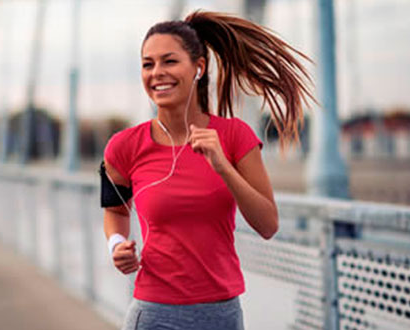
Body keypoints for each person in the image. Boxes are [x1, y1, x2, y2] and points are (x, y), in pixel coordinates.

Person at [99, 10, 315, 330]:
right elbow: (115, 211)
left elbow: (268, 224)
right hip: (154, 315)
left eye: (169, 61)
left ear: (198, 68)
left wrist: (223, 167)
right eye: (148, 64)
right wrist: (117, 245)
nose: (157, 72)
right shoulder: (123, 146)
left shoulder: (235, 136)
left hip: (222, 315)